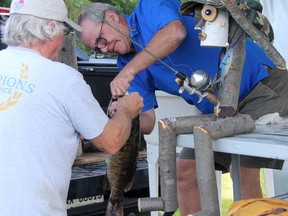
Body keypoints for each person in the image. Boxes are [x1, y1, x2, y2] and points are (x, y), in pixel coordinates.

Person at [76, 0, 288, 215]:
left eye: (101, 39)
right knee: (185, 173)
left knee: (242, 171)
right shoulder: (125, 63)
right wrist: (123, 115)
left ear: (111, 17)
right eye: (96, 48)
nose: (104, 48)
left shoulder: (148, 7)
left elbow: (175, 33)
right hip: (219, 109)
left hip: (261, 86)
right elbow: (147, 122)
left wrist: (129, 71)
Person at [0, 0, 143, 215]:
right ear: (50, 28)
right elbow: (111, 142)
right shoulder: (64, 79)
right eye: (63, 30)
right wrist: (126, 111)